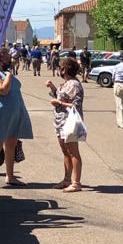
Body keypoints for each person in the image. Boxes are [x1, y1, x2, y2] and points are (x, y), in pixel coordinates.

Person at [0, 48, 33, 190]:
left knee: (11, 145)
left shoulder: (3, 72)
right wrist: (9, 76)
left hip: (13, 115)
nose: (9, 59)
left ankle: (10, 176)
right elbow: (2, 89)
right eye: (6, 56)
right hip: (1, 115)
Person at [46, 57, 84, 192]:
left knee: (73, 152)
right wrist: (53, 88)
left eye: (61, 67)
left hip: (70, 122)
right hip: (60, 121)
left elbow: (75, 105)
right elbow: (61, 95)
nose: (59, 70)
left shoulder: (74, 84)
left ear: (66, 69)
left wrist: (59, 103)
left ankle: (76, 183)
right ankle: (67, 179)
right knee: (65, 152)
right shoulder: (66, 83)